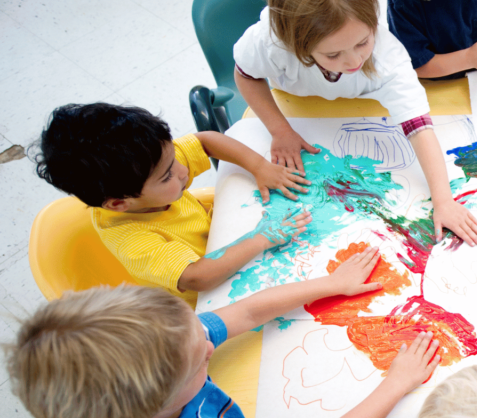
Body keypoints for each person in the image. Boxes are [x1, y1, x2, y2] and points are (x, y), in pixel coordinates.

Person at [6, 247, 440, 418]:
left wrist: (332, 284)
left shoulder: (160, 353)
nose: (211, 344)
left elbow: (247, 311)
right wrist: (397, 381)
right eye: (202, 362)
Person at [234, 0, 477, 246]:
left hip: (360, 106)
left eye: (363, 42)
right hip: (294, 104)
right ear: (295, 45)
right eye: (334, 54)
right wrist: (280, 129)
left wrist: (443, 201)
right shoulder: (269, 42)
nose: (353, 61)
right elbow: (246, 76)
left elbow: (419, 128)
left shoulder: (387, 57)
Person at [33, 102, 311, 308]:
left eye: (173, 159)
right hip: (208, 297)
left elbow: (205, 142)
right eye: (167, 175)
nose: (182, 171)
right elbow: (198, 278)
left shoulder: (147, 162)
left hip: (224, 239)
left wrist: (259, 166)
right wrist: (262, 238)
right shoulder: (133, 240)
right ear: (119, 203)